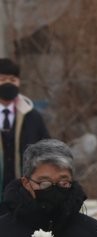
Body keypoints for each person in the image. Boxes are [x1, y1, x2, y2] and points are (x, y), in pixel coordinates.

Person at [0, 58, 50, 192]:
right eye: (3, 79)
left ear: (19, 82)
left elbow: (47, 152)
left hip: (24, 195)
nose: (8, 84)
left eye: (12, 80)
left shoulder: (32, 118)